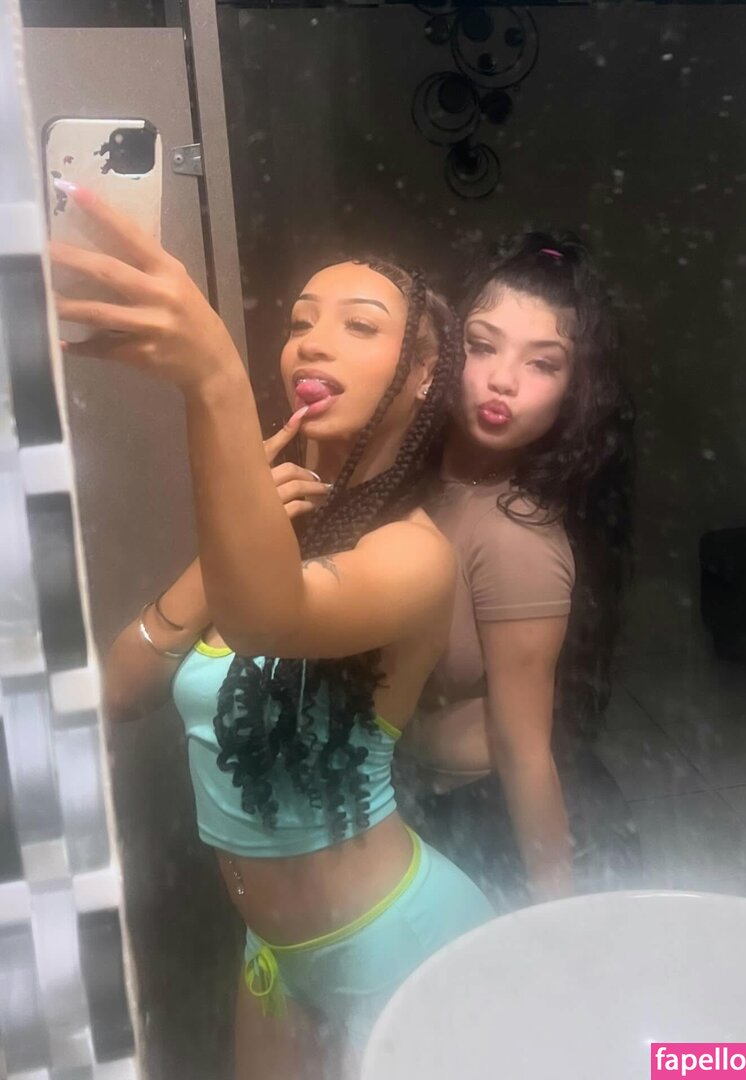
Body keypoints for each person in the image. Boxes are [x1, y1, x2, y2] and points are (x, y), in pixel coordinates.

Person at [50, 181, 493, 1079]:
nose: (312, 341)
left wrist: (213, 380)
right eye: (300, 321)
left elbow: (267, 619)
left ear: (422, 375)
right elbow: (118, 691)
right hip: (272, 955)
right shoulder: (263, 539)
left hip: (395, 943)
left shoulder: (416, 554)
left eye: (360, 325)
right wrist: (232, 532)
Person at [396, 231, 638, 910]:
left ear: (573, 394)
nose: (503, 380)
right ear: (442, 352)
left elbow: (525, 751)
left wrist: (552, 913)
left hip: (485, 818)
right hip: (416, 800)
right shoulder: (413, 489)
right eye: (482, 346)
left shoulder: (515, 537)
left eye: (542, 364)